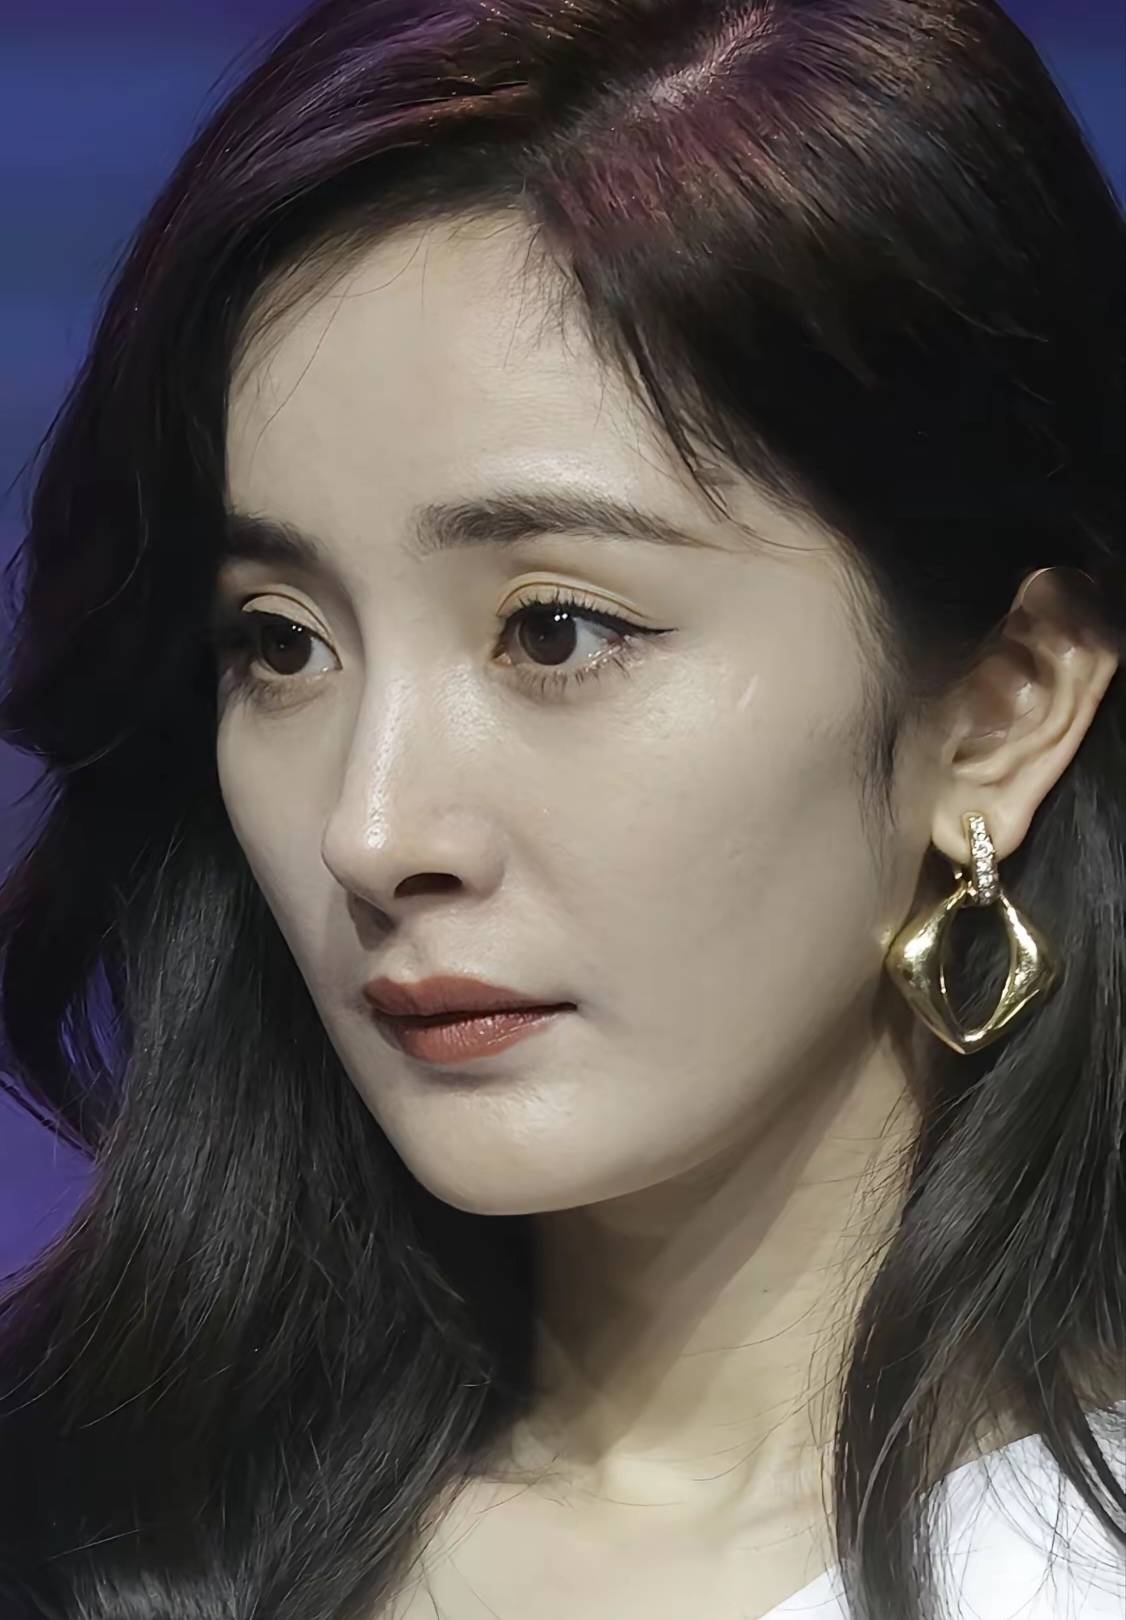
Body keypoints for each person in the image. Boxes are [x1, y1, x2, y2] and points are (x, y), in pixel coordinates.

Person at [0, 1, 1122, 1616]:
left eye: (554, 631)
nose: (373, 831)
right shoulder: (84, 1518)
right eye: (281, 644)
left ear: (1001, 704)